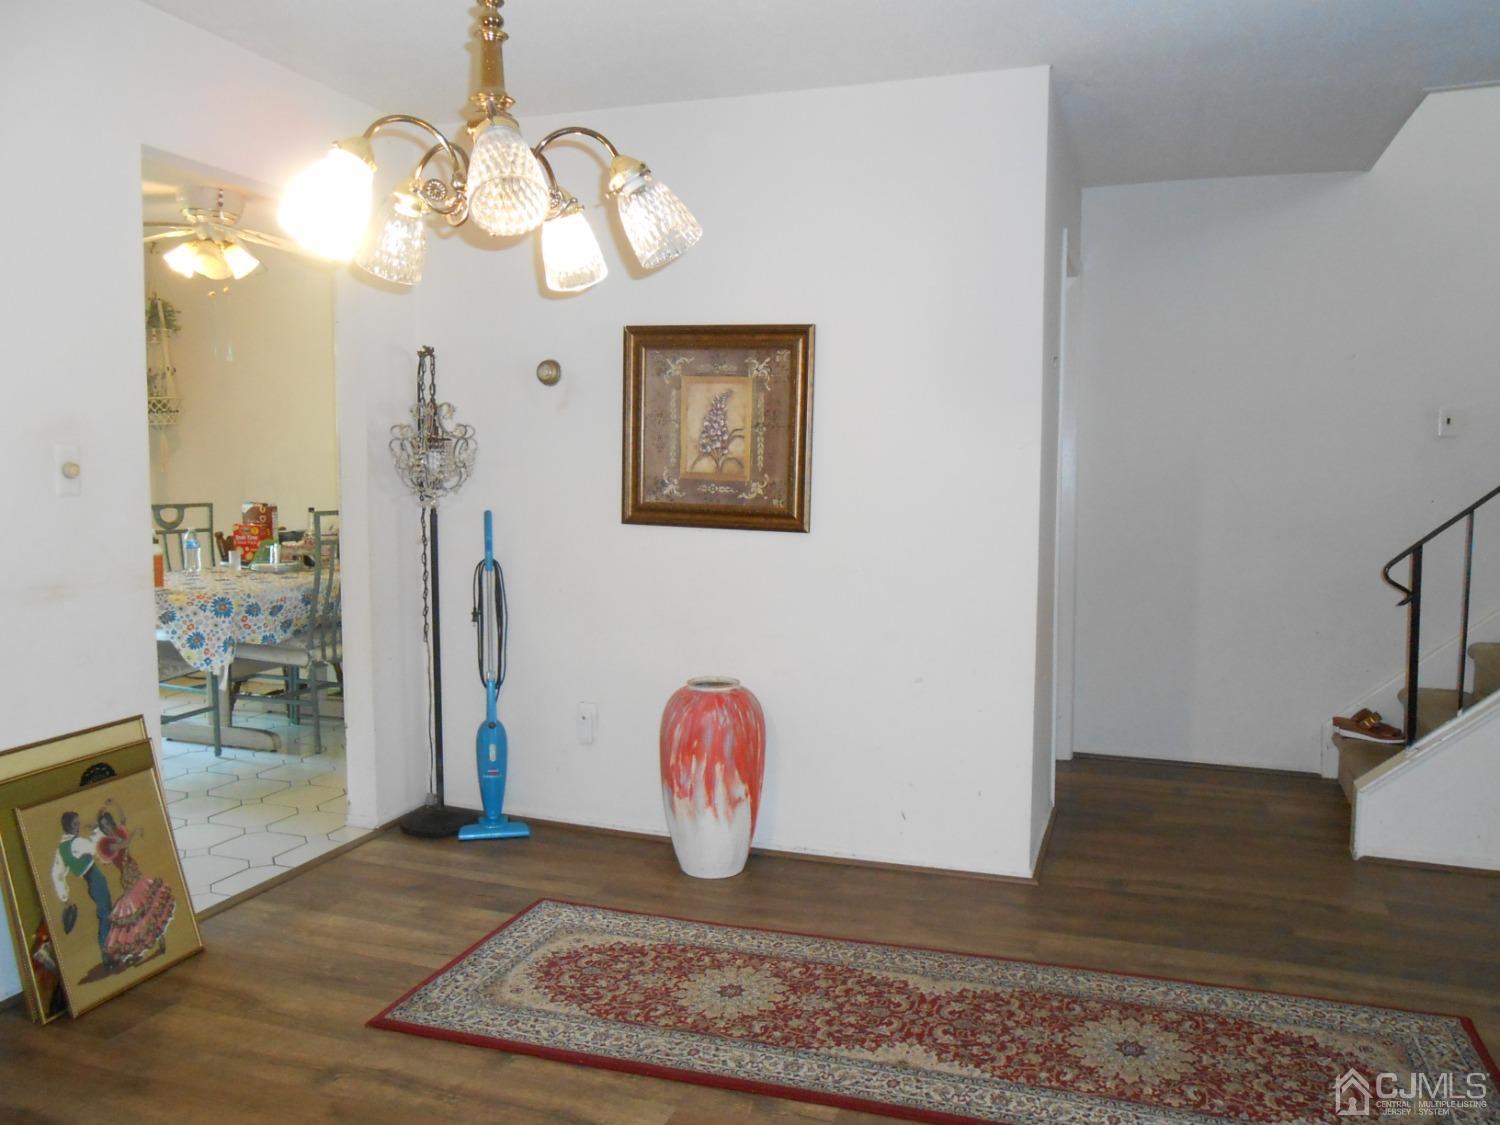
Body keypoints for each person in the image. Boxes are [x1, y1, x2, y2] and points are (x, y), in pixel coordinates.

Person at [93, 799, 175, 969]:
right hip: (128, 879)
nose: (106, 827)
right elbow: (124, 844)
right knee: (138, 912)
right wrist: (136, 832)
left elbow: (123, 818)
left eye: (107, 824)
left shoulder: (119, 831)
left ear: (111, 822)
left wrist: (115, 803)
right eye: (103, 826)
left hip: (136, 873)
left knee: (151, 906)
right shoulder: (107, 843)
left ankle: (160, 939)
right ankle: (136, 951)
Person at [50, 811, 112, 963]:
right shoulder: (77, 843)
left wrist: (65, 898)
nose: (78, 827)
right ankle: (107, 953)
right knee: (106, 914)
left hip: (91, 882)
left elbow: (56, 874)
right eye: (75, 824)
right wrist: (97, 830)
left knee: (105, 913)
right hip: (96, 880)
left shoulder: (62, 848)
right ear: (67, 825)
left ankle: (109, 950)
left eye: (78, 823)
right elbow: (96, 847)